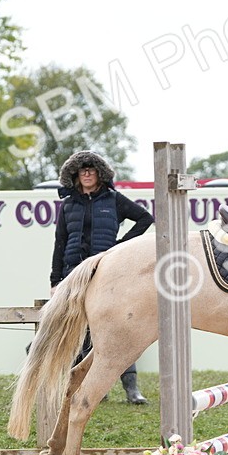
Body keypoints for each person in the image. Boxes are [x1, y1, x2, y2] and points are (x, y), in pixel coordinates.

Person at [51, 150, 154, 404]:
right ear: (75, 175)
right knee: (81, 330)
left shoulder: (114, 200)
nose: (86, 173)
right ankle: (96, 385)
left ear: (99, 174)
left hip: (108, 274)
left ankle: (131, 388)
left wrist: (120, 248)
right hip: (74, 273)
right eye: (81, 170)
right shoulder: (68, 205)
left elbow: (145, 218)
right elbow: (60, 242)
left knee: (120, 328)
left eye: (91, 169)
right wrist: (55, 280)